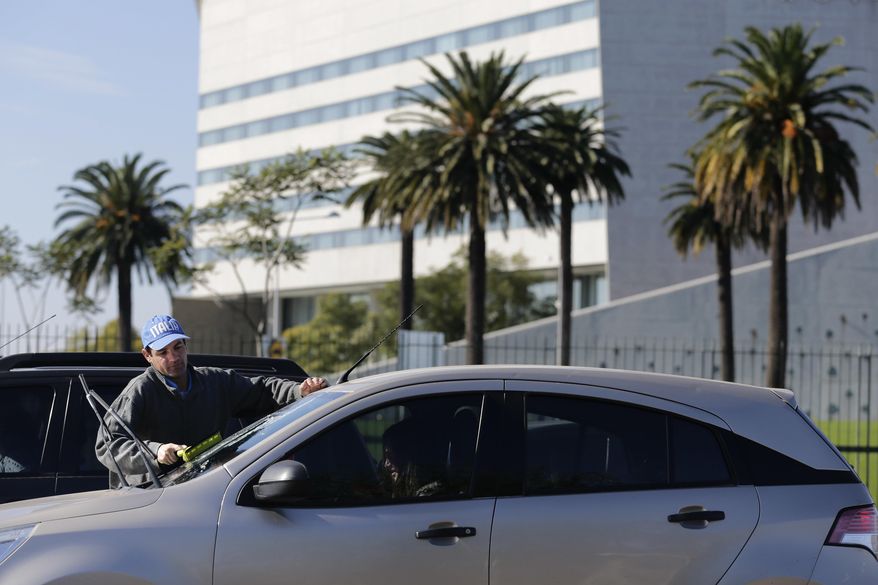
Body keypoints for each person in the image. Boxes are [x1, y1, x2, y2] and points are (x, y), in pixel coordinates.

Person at [95, 314, 327, 488]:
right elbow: (107, 444)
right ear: (147, 356)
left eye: (178, 347)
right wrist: (155, 452)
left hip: (206, 496)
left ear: (186, 346)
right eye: (163, 352)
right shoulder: (140, 391)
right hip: (150, 501)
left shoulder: (215, 381)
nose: (174, 358)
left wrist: (299, 391)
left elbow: (263, 390)